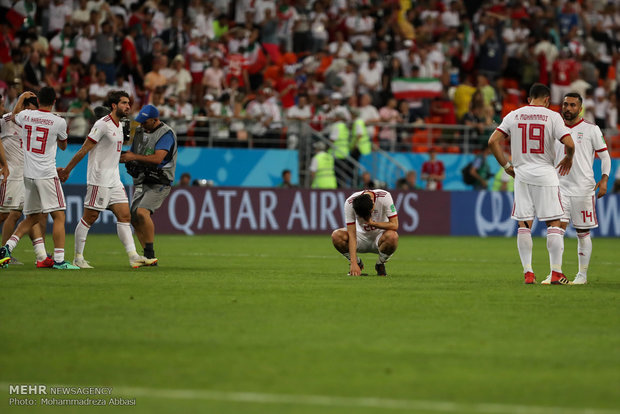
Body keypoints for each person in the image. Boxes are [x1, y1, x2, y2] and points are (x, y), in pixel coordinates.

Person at [58, 91, 157, 269]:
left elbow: (112, 153)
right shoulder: (102, 124)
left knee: (125, 216)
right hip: (99, 179)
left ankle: (133, 256)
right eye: (124, 103)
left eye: (128, 103)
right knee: (90, 217)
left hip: (114, 180)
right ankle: (78, 257)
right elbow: (84, 149)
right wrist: (67, 170)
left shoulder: (120, 125)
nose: (128, 106)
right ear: (114, 105)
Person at [488, 83, 575, 285]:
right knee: (553, 223)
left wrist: (506, 166)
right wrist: (569, 157)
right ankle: (555, 272)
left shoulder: (514, 115)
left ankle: (528, 273)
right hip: (545, 174)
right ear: (547, 100)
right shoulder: (552, 116)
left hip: (522, 175)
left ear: (529, 99)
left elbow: (493, 141)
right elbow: (569, 144)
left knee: (524, 224)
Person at [0, 88, 79, 269]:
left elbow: (14, 115)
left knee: (32, 217)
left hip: (28, 175)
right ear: (54, 101)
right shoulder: (58, 121)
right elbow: (64, 145)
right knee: (59, 215)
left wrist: (21, 98)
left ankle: (7, 248)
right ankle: (59, 260)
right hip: (46, 174)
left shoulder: (25, 116)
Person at [540, 93, 611, 285]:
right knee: (557, 229)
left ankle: (582, 275)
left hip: (583, 188)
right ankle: (555, 272)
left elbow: (605, 157)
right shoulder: (554, 128)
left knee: (582, 232)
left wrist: (604, 179)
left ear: (580, 108)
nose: (567, 108)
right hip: (559, 187)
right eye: (565, 104)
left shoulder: (591, 129)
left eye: (572, 105)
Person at [120, 104, 177, 263]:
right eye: (140, 122)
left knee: (142, 212)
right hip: (143, 180)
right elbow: (132, 154)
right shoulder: (139, 131)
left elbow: (158, 159)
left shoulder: (166, 134)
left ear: (155, 120)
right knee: (134, 217)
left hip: (160, 180)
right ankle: (148, 256)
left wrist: (134, 158)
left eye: (145, 122)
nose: (142, 125)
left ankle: (150, 254)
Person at [0, 95, 50, 267]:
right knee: (7, 214)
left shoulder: (31, 123)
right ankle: (4, 251)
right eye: (33, 107)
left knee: (30, 214)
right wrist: (21, 98)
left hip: (27, 173)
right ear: (25, 106)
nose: (36, 111)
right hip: (11, 174)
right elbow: (13, 115)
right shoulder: (7, 120)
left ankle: (40, 255)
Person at [331, 189, 399, 276]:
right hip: (360, 238)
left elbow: (395, 225)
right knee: (336, 236)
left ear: (373, 204)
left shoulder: (384, 196)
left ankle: (380, 263)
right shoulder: (349, 203)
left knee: (393, 236)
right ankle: (358, 263)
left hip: (380, 238)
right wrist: (353, 262)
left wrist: (373, 223)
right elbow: (352, 235)